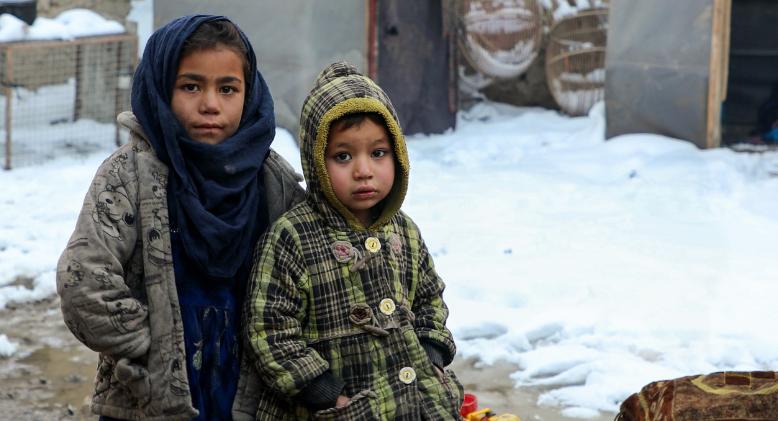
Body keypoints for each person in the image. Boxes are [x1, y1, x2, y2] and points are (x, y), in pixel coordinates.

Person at [56, 15, 304, 420]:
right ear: (160, 87)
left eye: (228, 88)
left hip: (247, 398)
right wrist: (153, 352)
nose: (210, 103)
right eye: (190, 86)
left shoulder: (273, 183)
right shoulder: (130, 175)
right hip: (149, 399)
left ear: (250, 92)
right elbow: (82, 281)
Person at [244, 62, 464, 419]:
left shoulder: (403, 231)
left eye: (378, 153)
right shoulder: (292, 237)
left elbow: (429, 298)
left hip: (415, 402)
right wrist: (323, 391)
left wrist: (431, 351)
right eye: (343, 156)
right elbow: (268, 328)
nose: (363, 171)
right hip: (340, 408)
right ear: (317, 161)